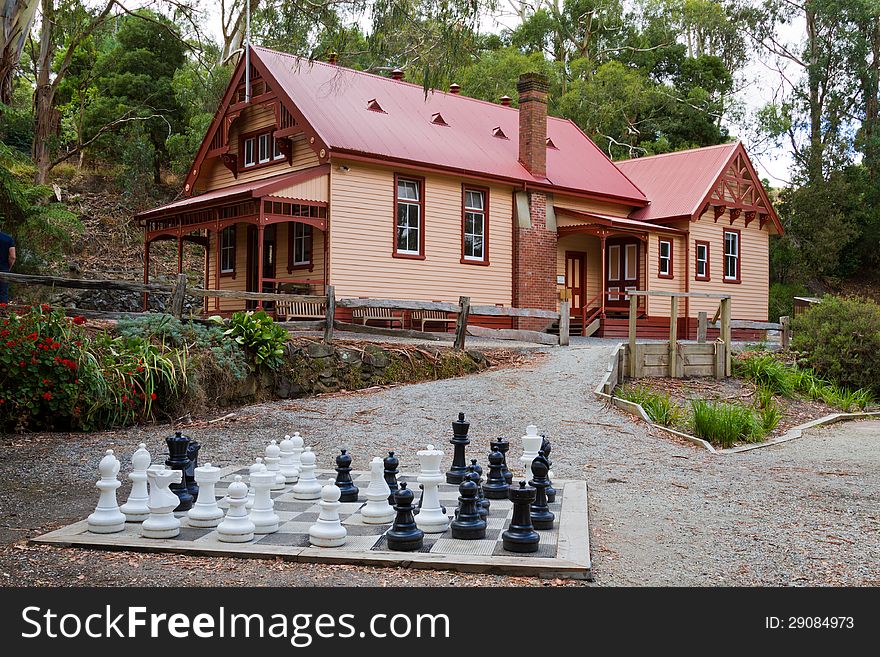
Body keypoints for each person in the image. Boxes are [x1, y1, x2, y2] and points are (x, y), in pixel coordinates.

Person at [0, 230, 15, 304]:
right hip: (3, 268)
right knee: (2, 293)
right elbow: (13, 257)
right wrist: (8, 267)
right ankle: (2, 312)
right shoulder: (8, 239)